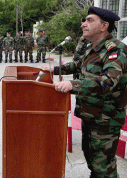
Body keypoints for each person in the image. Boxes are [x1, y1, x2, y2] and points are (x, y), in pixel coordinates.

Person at [43, 6, 126, 178]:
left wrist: (72, 84)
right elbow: (78, 65)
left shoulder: (116, 50)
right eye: (85, 20)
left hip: (105, 120)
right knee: (93, 163)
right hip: (90, 116)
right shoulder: (92, 47)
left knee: (104, 169)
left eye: (90, 20)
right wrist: (55, 69)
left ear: (104, 26)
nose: (83, 24)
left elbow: (108, 82)